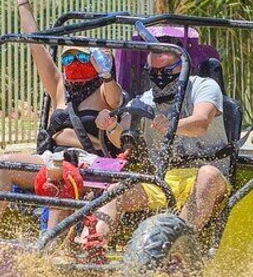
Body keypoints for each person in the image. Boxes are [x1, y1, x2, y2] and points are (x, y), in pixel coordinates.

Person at [0, 0, 124, 238]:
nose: (73, 63)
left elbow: (116, 101)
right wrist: (23, 3)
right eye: (68, 59)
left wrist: (106, 74)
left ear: (94, 61)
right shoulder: (59, 85)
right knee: (2, 164)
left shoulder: (104, 89)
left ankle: (51, 253)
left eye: (81, 58)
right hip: (52, 158)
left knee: (61, 175)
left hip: (92, 164)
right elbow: (36, 46)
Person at [88, 41, 230, 243]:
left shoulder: (203, 86)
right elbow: (124, 139)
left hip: (209, 177)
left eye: (165, 71)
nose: (159, 77)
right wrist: (110, 125)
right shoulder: (146, 100)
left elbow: (201, 122)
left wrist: (173, 125)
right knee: (115, 191)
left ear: (182, 66)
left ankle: (175, 247)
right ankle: (92, 248)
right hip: (165, 181)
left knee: (207, 175)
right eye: (153, 72)